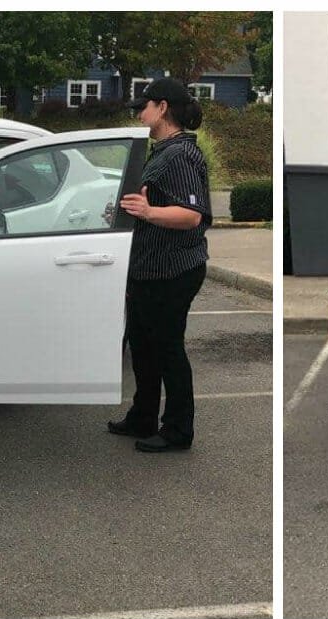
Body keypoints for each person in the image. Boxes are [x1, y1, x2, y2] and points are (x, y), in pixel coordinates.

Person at [107, 77, 211, 453]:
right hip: (149, 270)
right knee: (143, 346)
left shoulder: (179, 154)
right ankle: (143, 416)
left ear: (163, 108)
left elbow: (191, 215)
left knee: (167, 349)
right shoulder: (162, 150)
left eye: (144, 104)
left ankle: (178, 431)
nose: (139, 111)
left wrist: (148, 212)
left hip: (173, 271)